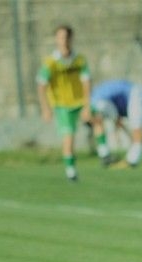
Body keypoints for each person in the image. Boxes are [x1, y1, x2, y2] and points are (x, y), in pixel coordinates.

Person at [37, 25, 92, 182]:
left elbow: (87, 82)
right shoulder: (50, 62)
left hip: (80, 102)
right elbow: (41, 86)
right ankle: (71, 171)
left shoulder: (79, 60)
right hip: (62, 106)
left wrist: (87, 105)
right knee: (68, 138)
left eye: (66, 37)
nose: (64, 40)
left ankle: (104, 154)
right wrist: (45, 108)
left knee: (99, 115)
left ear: (71, 38)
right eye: (61, 37)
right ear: (56, 39)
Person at [89, 79, 142, 167]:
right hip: (134, 94)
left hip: (136, 93)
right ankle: (130, 160)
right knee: (136, 129)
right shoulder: (96, 98)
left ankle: (132, 162)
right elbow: (113, 117)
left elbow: (115, 117)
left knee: (137, 130)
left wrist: (121, 131)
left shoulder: (96, 102)